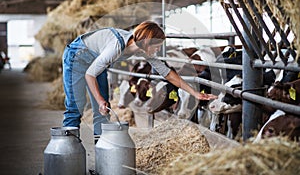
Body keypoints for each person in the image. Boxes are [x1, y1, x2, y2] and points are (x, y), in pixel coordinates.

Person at [62, 21, 216, 136]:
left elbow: (167, 73)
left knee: (103, 110)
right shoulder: (116, 46)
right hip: (77, 57)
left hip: (96, 61)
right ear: (147, 41)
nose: (158, 50)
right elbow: (90, 74)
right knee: (76, 105)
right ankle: (68, 154)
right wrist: (99, 98)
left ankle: (103, 156)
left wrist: (195, 93)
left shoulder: (143, 50)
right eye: (157, 46)